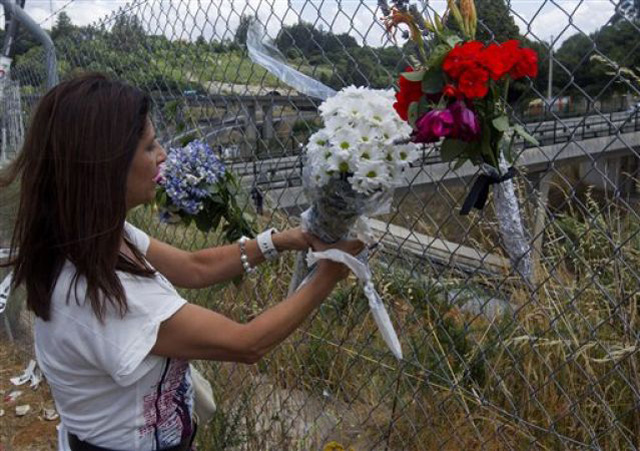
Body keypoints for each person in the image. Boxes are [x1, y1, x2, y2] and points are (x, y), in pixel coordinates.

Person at [0, 73, 362, 450]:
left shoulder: (90, 237)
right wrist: (328, 274)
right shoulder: (107, 295)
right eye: (150, 146)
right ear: (103, 164)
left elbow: (193, 267)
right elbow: (246, 343)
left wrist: (277, 241)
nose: (163, 155)